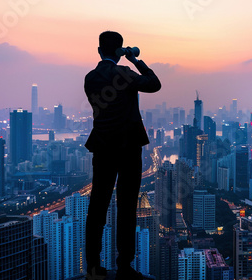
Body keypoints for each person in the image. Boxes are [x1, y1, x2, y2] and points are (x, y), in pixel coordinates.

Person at [84, 31, 161, 280]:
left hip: (103, 148)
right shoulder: (125, 74)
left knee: (97, 207)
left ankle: (94, 267)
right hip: (128, 149)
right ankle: (125, 266)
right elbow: (154, 83)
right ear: (119, 51)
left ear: (99, 50)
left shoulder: (91, 78)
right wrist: (134, 59)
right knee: (126, 207)